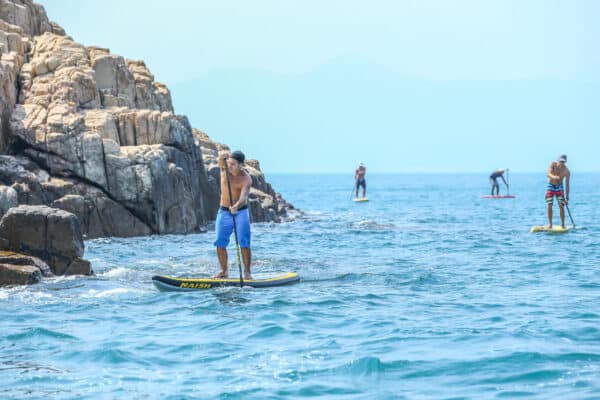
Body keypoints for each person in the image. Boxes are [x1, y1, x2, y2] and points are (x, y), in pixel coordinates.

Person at [213, 150, 253, 279]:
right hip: (224, 211)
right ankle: (224, 271)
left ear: (241, 165)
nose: (229, 166)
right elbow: (220, 160)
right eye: (229, 163)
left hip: (240, 212)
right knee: (219, 241)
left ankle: (247, 272)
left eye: (233, 164)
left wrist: (236, 206)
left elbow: (244, 197)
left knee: (244, 242)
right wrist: (221, 156)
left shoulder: (246, 178)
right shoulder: (224, 168)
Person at [546, 154, 570, 229]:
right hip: (551, 186)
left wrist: (567, 198)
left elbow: (567, 185)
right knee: (549, 204)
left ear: (565, 162)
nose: (561, 163)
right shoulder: (553, 164)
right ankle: (550, 224)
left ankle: (563, 224)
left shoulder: (567, 171)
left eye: (563, 162)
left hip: (560, 187)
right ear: (558, 160)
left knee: (561, 205)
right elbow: (548, 174)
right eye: (560, 161)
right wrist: (554, 177)